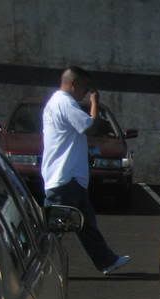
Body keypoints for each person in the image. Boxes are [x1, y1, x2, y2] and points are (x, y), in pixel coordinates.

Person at [41, 66, 130, 275]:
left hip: (68, 178)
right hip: (65, 178)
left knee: (86, 224)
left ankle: (107, 261)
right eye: (85, 87)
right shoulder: (65, 102)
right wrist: (94, 103)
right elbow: (90, 126)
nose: (86, 92)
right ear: (74, 84)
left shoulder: (55, 102)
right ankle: (34, 267)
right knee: (54, 230)